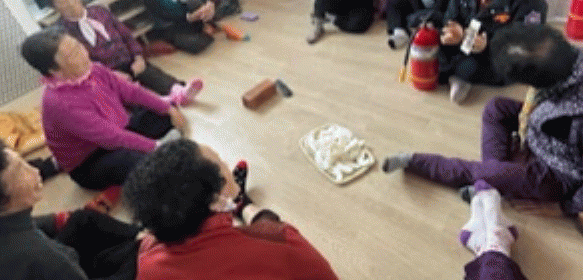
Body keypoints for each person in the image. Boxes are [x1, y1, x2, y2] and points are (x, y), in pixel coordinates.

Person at [383, 24, 583, 216]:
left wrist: (564, 208)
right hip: (554, 129)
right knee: (496, 108)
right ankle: (494, 183)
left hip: (564, 170)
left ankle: (416, 161)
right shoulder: (576, 57)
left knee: (483, 171)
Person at [124, 138, 340, 280]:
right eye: (221, 164)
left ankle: (239, 202)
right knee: (266, 219)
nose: (227, 165)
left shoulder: (147, 259)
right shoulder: (278, 240)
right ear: (215, 200)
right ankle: (243, 204)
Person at [20, 27, 188, 190]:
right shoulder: (61, 103)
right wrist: (157, 147)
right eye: (73, 55)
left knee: (162, 111)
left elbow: (132, 92)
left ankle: (159, 148)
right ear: (53, 70)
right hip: (90, 161)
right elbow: (112, 138)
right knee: (132, 160)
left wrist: (168, 109)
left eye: (79, 46)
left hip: (116, 132)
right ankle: (159, 151)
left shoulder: (94, 69)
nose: (83, 54)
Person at [0, 141, 140, 280]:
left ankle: (141, 237)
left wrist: (57, 220)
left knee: (82, 220)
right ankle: (143, 247)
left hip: (57, 258)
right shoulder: (44, 257)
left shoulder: (11, 225)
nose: (35, 171)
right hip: (67, 269)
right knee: (136, 261)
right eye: (20, 170)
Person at [50, 0, 203, 104]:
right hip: (106, 72)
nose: (70, 3)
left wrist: (138, 57)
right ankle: (159, 102)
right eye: (62, 1)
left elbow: (126, 34)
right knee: (128, 95)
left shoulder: (99, 11)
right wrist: (110, 75)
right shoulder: (61, 32)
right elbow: (81, 64)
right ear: (55, 6)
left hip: (127, 59)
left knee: (151, 73)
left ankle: (179, 91)